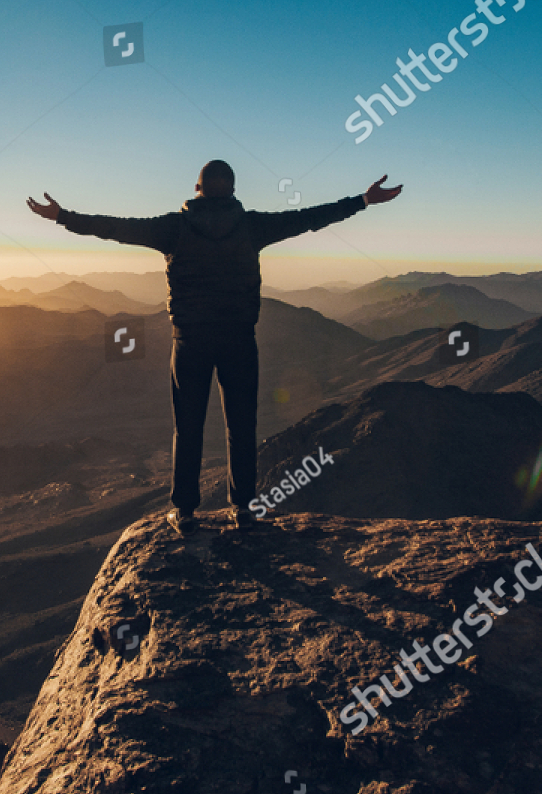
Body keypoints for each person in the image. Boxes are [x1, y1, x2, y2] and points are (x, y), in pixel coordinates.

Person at [27, 160, 403, 534]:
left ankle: (185, 512)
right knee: (242, 425)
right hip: (239, 339)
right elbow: (308, 218)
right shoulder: (253, 225)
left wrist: (62, 215)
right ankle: (241, 508)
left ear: (197, 189)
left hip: (190, 341)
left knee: (187, 426)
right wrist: (363, 201)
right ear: (233, 190)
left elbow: (115, 228)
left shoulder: (173, 228)